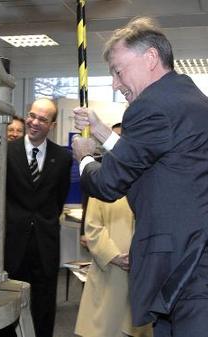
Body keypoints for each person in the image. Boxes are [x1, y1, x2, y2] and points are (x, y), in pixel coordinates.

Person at [71, 16, 208, 337]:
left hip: (196, 278)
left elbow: (107, 184)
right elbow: (154, 158)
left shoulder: (152, 106)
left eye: (118, 71)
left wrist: (85, 156)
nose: (116, 83)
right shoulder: (188, 99)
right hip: (199, 274)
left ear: (149, 59)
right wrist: (104, 132)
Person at [0, 98, 72, 337]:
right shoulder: (6, 152)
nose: (34, 122)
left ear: (52, 124)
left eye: (42, 119)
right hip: (12, 243)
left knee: (43, 306)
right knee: (7, 304)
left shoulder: (62, 158)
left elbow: (57, 200)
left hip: (45, 244)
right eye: (32, 115)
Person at [75, 124, 152, 337]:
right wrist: (114, 256)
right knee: (105, 328)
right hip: (110, 269)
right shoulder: (102, 177)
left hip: (142, 271)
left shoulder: (147, 177)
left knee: (136, 325)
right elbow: (93, 225)